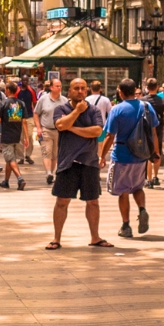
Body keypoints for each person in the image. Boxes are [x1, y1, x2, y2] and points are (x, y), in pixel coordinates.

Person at [48, 79, 109, 250]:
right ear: (69, 91)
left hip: (89, 162)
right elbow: (60, 125)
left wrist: (72, 128)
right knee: (62, 201)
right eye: (76, 88)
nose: (80, 91)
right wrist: (76, 112)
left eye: (83, 88)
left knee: (93, 201)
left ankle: (95, 237)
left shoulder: (94, 110)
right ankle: (56, 238)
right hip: (68, 162)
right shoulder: (61, 109)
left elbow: (97, 131)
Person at [106, 79, 158, 239]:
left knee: (123, 192)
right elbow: (153, 132)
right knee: (137, 187)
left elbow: (110, 135)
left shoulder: (117, 109)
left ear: (120, 92)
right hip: (141, 156)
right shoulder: (146, 107)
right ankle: (142, 209)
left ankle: (126, 225)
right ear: (135, 90)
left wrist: (101, 156)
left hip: (122, 155)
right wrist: (155, 153)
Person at [0, 81, 30, 191]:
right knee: (10, 159)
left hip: (7, 136)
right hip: (17, 135)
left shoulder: (3, 103)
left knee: (10, 159)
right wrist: (26, 137)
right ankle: (6, 181)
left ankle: (20, 179)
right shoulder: (21, 103)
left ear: (8, 90)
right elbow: (24, 121)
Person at [36, 78, 65, 185]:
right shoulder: (43, 99)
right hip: (46, 130)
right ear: (51, 88)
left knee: (55, 154)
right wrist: (38, 128)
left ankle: (51, 174)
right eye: (57, 86)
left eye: (60, 86)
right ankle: (48, 173)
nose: (59, 88)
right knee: (46, 152)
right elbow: (36, 113)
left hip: (59, 131)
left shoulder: (64, 101)